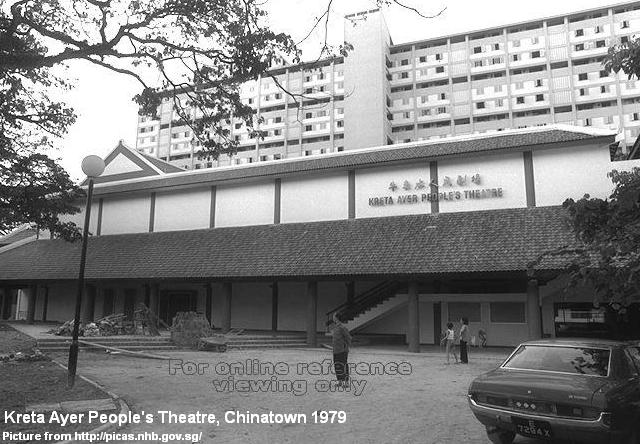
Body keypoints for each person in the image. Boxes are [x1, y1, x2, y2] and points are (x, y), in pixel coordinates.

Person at [330, 313, 352, 388]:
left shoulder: (342, 327)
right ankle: (340, 381)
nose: (333, 318)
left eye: (334, 316)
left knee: (343, 366)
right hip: (336, 350)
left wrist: (346, 347)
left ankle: (346, 382)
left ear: (336, 318)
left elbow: (348, 338)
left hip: (342, 350)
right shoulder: (335, 327)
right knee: (337, 366)